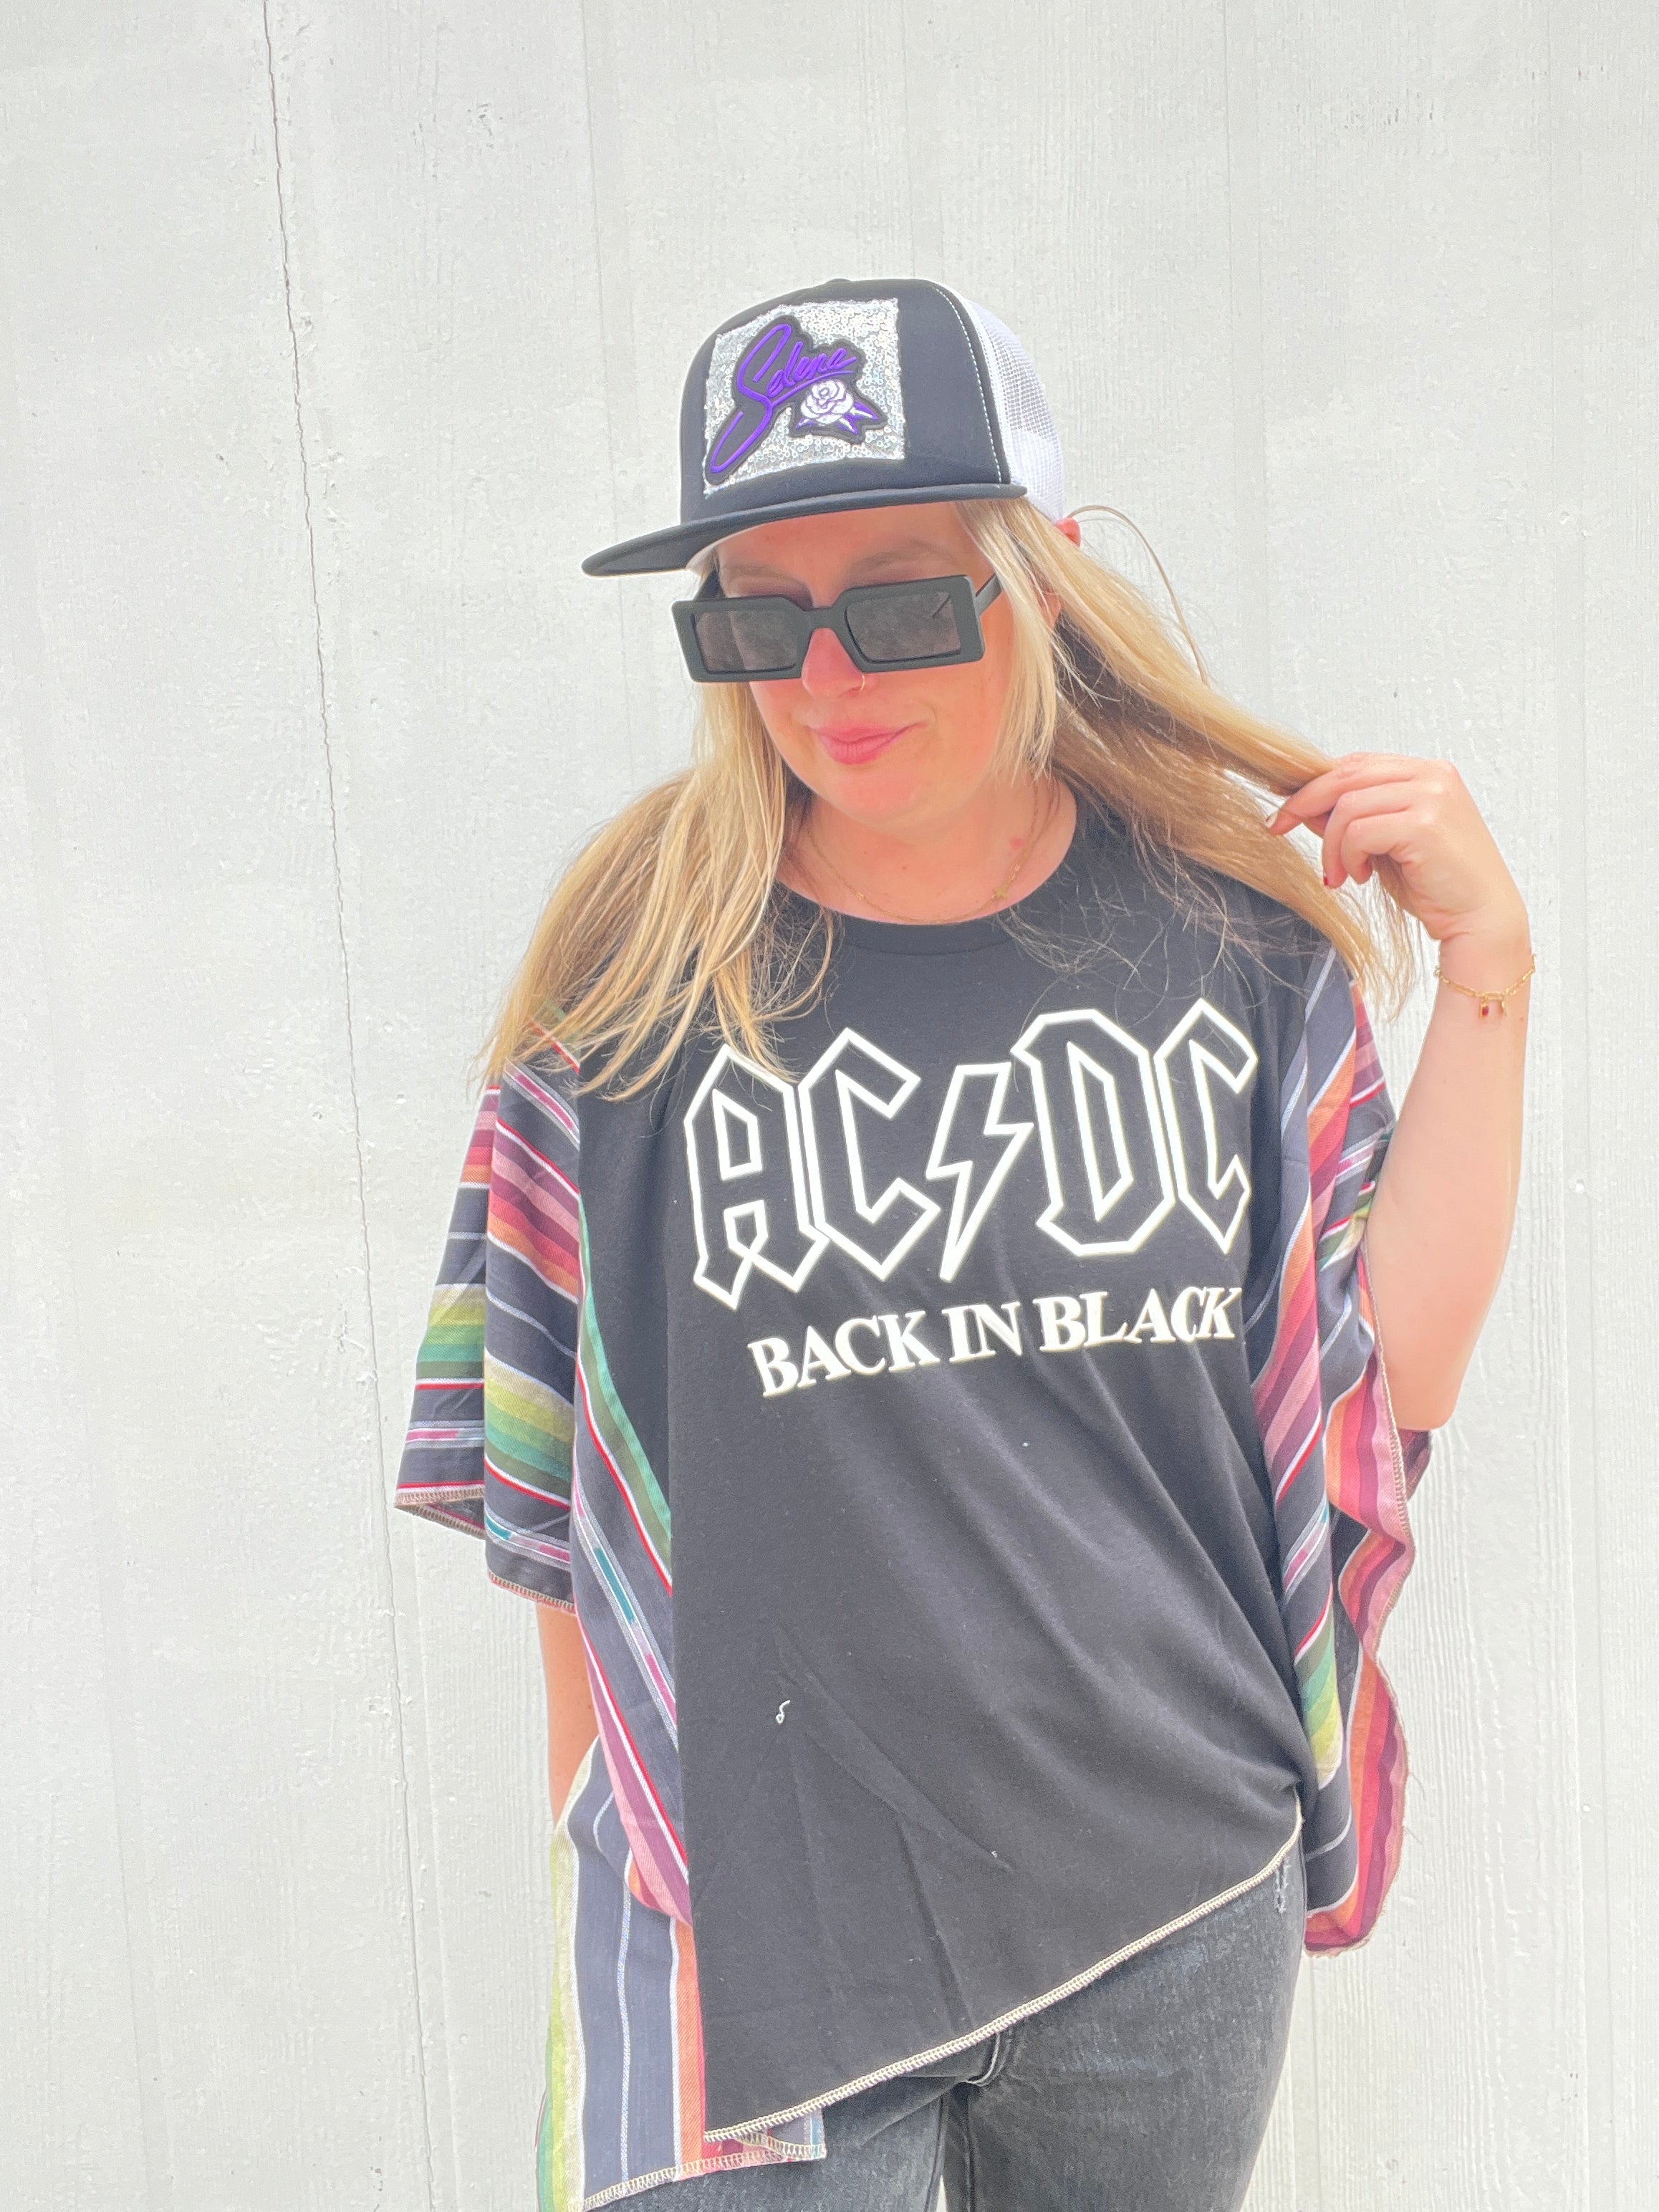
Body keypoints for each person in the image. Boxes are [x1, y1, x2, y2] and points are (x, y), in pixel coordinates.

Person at [394, 279, 1531, 2212]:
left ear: (1044, 580)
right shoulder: (635, 978)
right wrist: (620, 1864)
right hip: (747, 1927)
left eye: (906, 600)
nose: (829, 674)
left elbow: (1382, 1375)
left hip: (1169, 1897)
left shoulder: (1235, 953)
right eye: (757, 616)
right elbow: (560, 1492)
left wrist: (1491, 975)